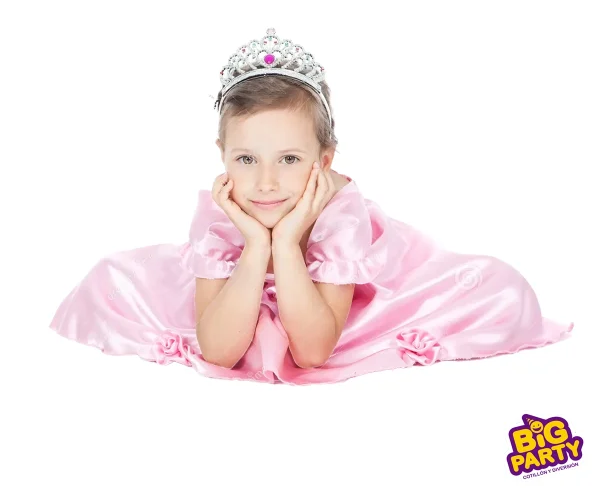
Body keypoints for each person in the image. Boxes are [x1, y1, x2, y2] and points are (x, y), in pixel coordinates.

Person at [49, 27, 574, 385]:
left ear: (323, 161)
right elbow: (219, 351)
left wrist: (287, 242)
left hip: (351, 301)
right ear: (222, 156)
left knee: (499, 287)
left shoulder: (339, 215)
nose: (266, 182)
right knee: (111, 280)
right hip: (247, 284)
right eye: (246, 159)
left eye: (290, 159)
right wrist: (256, 245)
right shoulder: (224, 210)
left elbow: (313, 351)